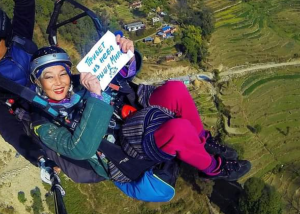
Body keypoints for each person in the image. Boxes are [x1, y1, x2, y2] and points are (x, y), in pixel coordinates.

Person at [29, 37, 251, 200]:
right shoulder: (43, 121)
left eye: (62, 74)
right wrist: (96, 96)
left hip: (131, 117)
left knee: (175, 90)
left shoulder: (79, 83)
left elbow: (120, 79)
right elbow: (81, 149)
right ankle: (213, 168)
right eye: (48, 77)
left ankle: (204, 141)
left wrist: (126, 56)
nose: (58, 82)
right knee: (179, 130)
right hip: (122, 149)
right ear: (37, 82)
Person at [0, 0, 104, 184]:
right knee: (82, 161)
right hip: (37, 112)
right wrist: (38, 158)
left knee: (106, 87)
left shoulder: (20, 40)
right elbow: (8, 127)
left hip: (57, 86)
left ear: (5, 37)